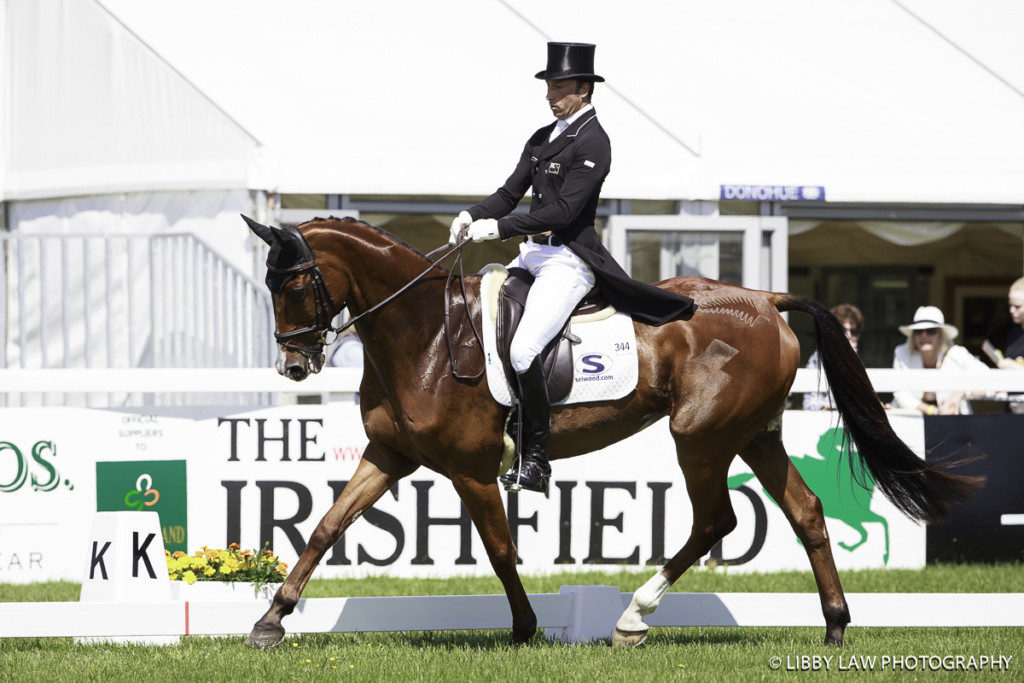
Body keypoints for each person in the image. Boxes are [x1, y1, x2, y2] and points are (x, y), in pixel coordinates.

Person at [448, 42, 695, 493]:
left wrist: (498, 229)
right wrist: (472, 214)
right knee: (483, 324)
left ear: (584, 89)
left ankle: (536, 457)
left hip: (568, 259)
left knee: (523, 350)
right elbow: (507, 194)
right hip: (532, 255)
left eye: (558, 87)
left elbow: (563, 211)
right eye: (548, 86)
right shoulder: (542, 137)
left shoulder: (594, 142)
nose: (549, 96)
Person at [891, 305, 988, 415]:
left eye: (931, 331)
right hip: (912, 419)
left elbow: (986, 376)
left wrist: (960, 393)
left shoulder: (957, 353)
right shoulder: (902, 353)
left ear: (941, 334)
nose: (924, 335)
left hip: (952, 418)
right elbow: (901, 394)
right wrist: (932, 410)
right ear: (913, 335)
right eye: (918, 331)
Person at [803, 304, 863, 411]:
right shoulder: (819, 357)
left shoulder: (856, 358)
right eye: (843, 330)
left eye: (853, 331)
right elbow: (810, 403)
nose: (848, 335)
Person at [998, 277, 1024, 369]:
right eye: (1010, 305)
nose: (1012, 310)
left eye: (1017, 306)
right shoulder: (1014, 334)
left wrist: (1014, 366)